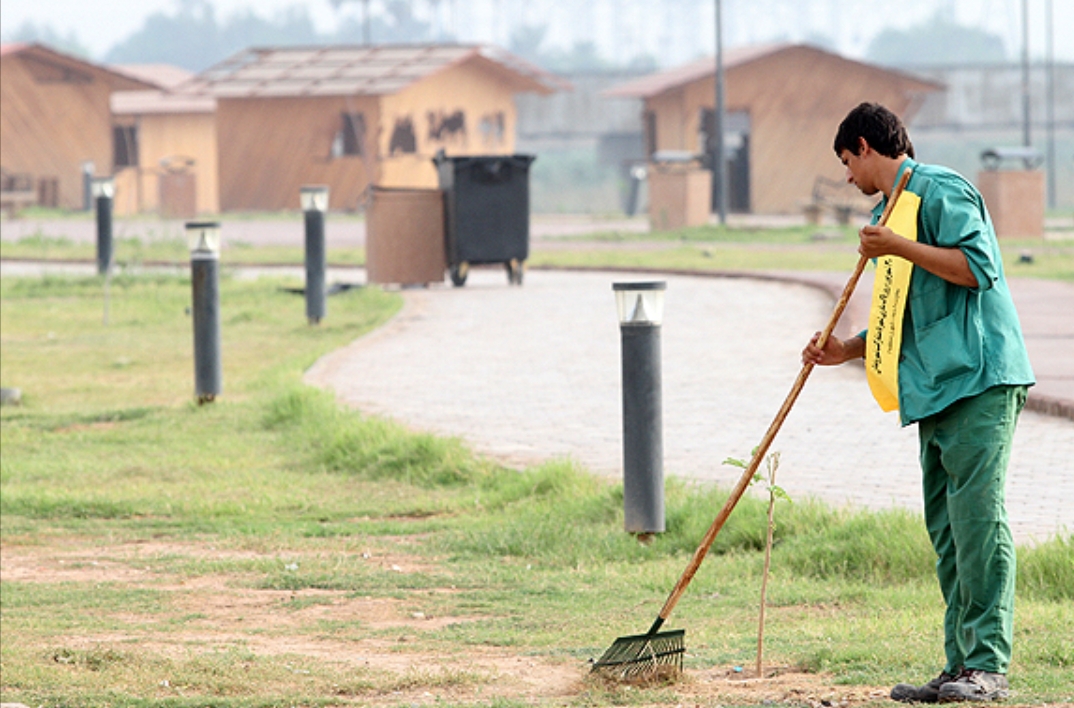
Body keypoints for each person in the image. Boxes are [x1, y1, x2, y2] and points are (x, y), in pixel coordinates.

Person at [802, 102, 1035, 703]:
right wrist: (846, 350)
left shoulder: (939, 191)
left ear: (864, 145)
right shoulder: (889, 213)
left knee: (978, 522)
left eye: (848, 162)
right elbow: (898, 315)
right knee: (949, 533)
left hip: (978, 378)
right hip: (933, 388)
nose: (848, 177)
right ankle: (960, 667)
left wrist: (900, 246)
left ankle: (987, 666)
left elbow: (978, 268)